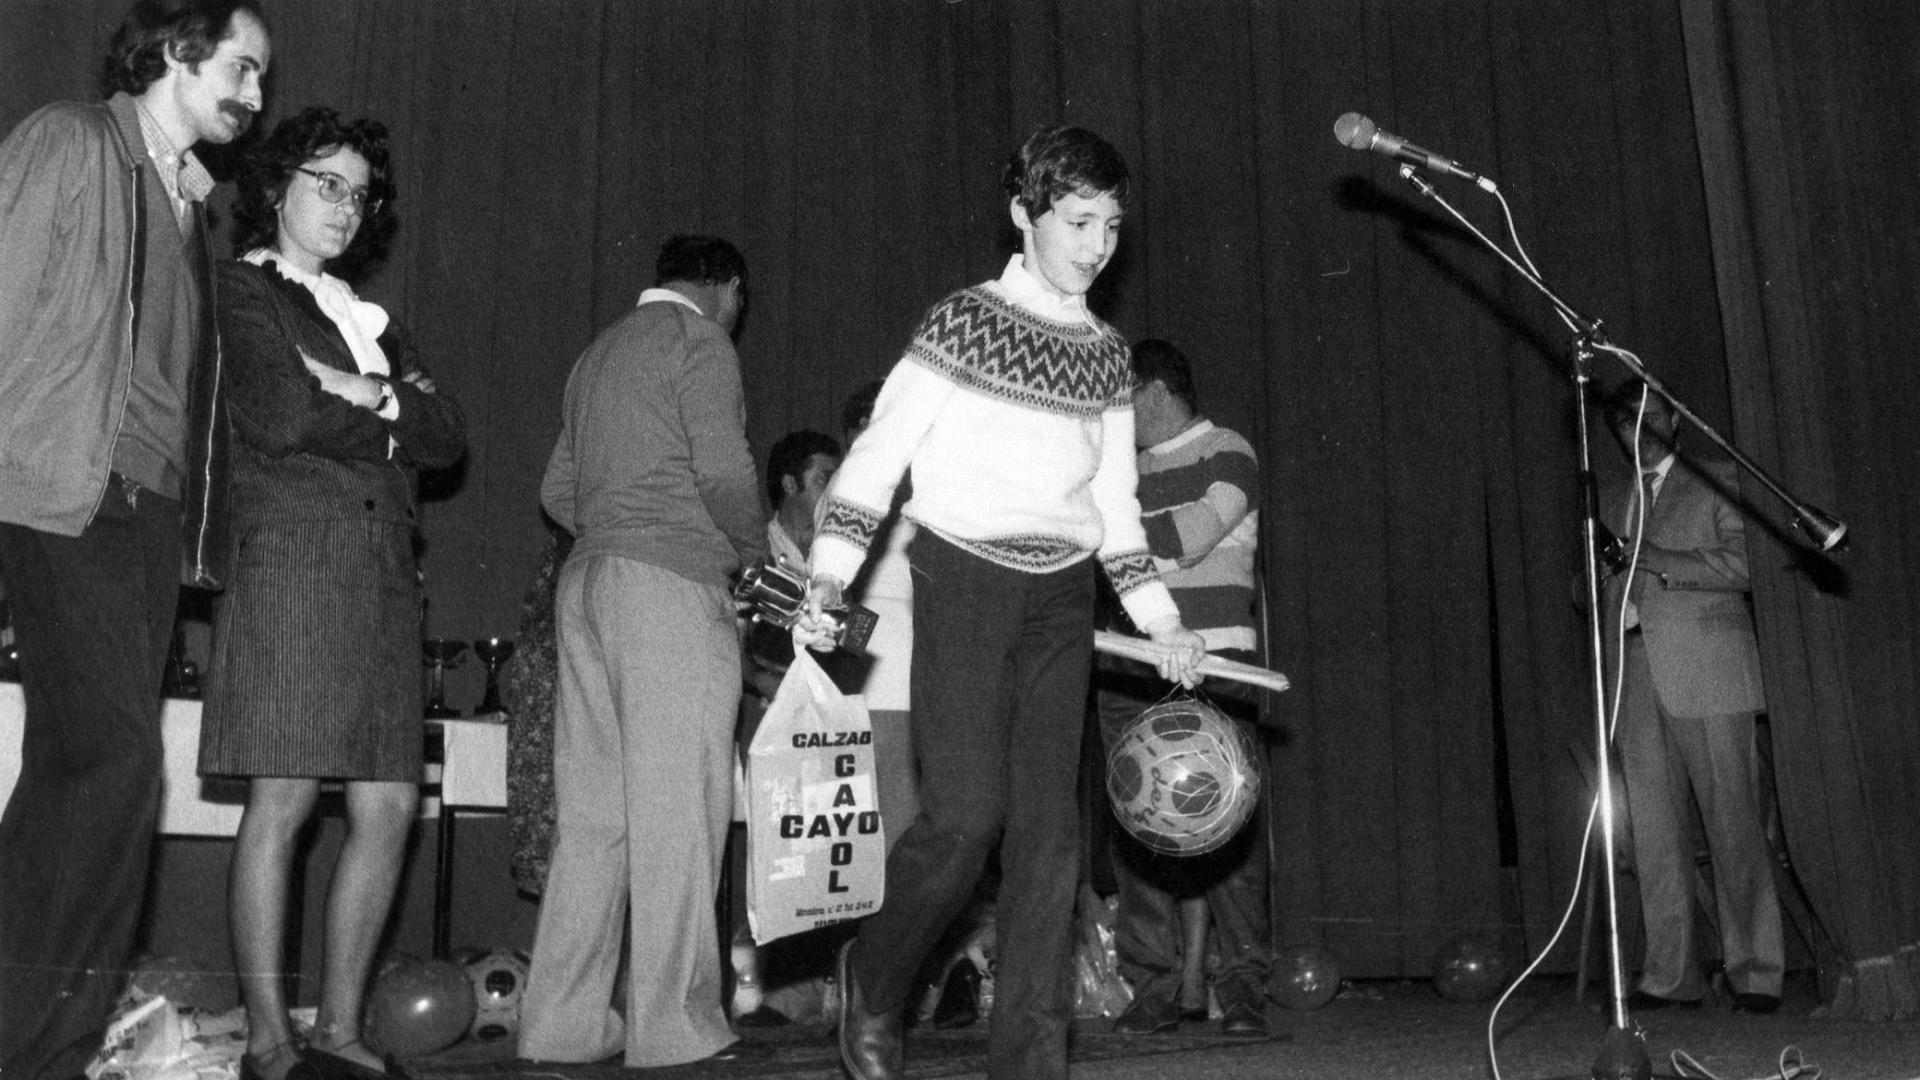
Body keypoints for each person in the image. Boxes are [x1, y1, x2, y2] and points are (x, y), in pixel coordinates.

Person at [800, 125, 1206, 1080]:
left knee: (1050, 843)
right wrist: (829, 572)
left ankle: (1030, 1061)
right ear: (1024, 215)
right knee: (967, 818)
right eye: (1076, 221)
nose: (1096, 245)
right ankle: (878, 973)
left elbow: (1114, 511)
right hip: (966, 579)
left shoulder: (1107, 355)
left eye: (1110, 224)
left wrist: (1164, 624)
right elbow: (878, 456)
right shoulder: (962, 322)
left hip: (1063, 597)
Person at [0, 4, 268, 1076]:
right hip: (65, 493)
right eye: (241, 67)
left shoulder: (188, 200)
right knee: (108, 760)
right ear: (174, 50)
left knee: (92, 770)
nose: (254, 93)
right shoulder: (70, 141)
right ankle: (36, 1047)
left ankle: (34, 1035)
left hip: (148, 515)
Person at [197, 105, 467, 1080]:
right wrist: (380, 412)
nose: (346, 207)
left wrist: (369, 394)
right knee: (285, 798)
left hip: (388, 576)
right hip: (296, 563)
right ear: (275, 189)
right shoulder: (243, 289)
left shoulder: (375, 322)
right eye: (326, 184)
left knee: (391, 804)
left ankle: (339, 1031)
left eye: (360, 192)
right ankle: (271, 1044)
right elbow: (278, 413)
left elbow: (447, 434)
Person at [521, 235, 774, 1068]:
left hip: (586, 586)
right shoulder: (697, 341)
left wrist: (617, 520)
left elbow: (558, 490)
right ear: (727, 289)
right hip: (667, 588)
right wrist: (752, 556)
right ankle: (676, 1028)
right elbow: (727, 470)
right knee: (679, 818)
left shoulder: (596, 355)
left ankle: (562, 1024)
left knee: (595, 821)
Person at [1098, 338, 1272, 1038]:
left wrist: (1102, 532)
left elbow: (1194, 533)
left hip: (1218, 668)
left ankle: (1244, 988)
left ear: (1153, 390)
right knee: (1137, 826)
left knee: (1228, 830)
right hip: (1131, 669)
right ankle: (1153, 989)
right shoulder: (1118, 473)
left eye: (1122, 400)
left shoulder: (1228, 449)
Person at [1600, 378, 1783, 1014]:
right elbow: (1600, 588)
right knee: (1653, 836)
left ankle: (1756, 973)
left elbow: (1745, 565)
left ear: (1676, 421)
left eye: (1650, 418)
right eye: (1626, 425)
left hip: (1710, 674)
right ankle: (1670, 975)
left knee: (1733, 824)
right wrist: (1595, 579)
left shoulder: (1715, 481)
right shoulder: (1618, 498)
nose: (1638, 433)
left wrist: (1657, 558)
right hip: (1638, 673)